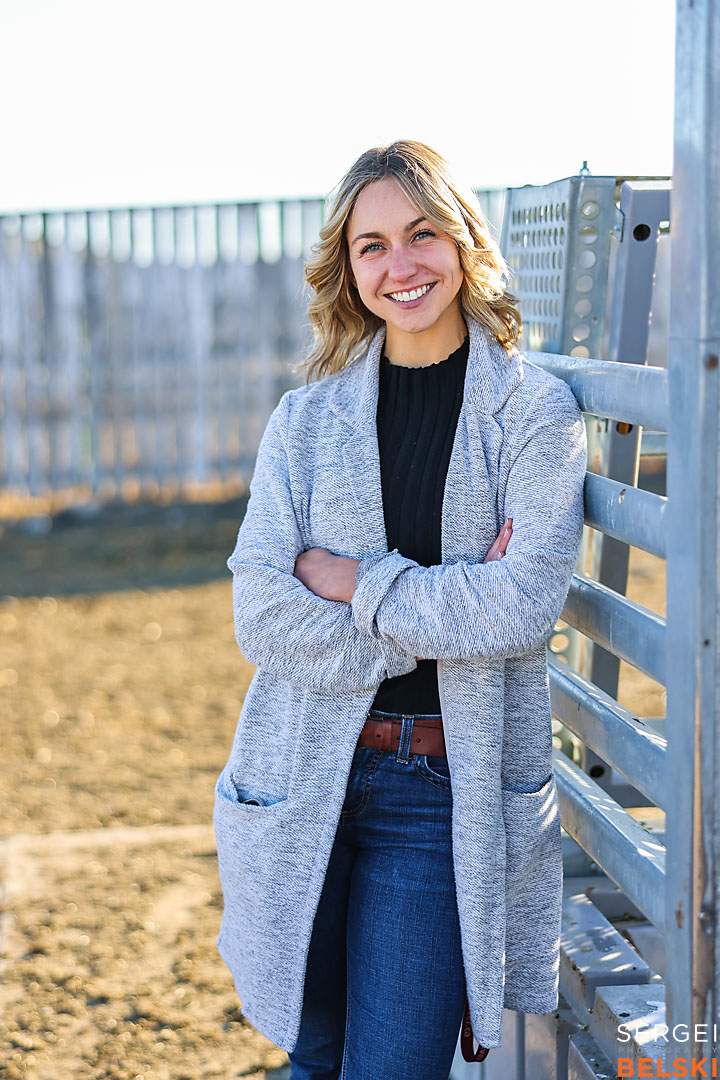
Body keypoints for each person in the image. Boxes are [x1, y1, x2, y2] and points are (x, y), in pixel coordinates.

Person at [214, 140, 587, 1080]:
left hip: (438, 794)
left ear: (463, 243)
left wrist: (349, 581)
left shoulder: (534, 414)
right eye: (372, 245)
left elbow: (517, 610)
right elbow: (261, 613)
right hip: (300, 773)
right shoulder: (304, 423)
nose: (401, 266)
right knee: (314, 1055)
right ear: (348, 267)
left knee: (391, 1069)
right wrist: (434, 608)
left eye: (422, 234)